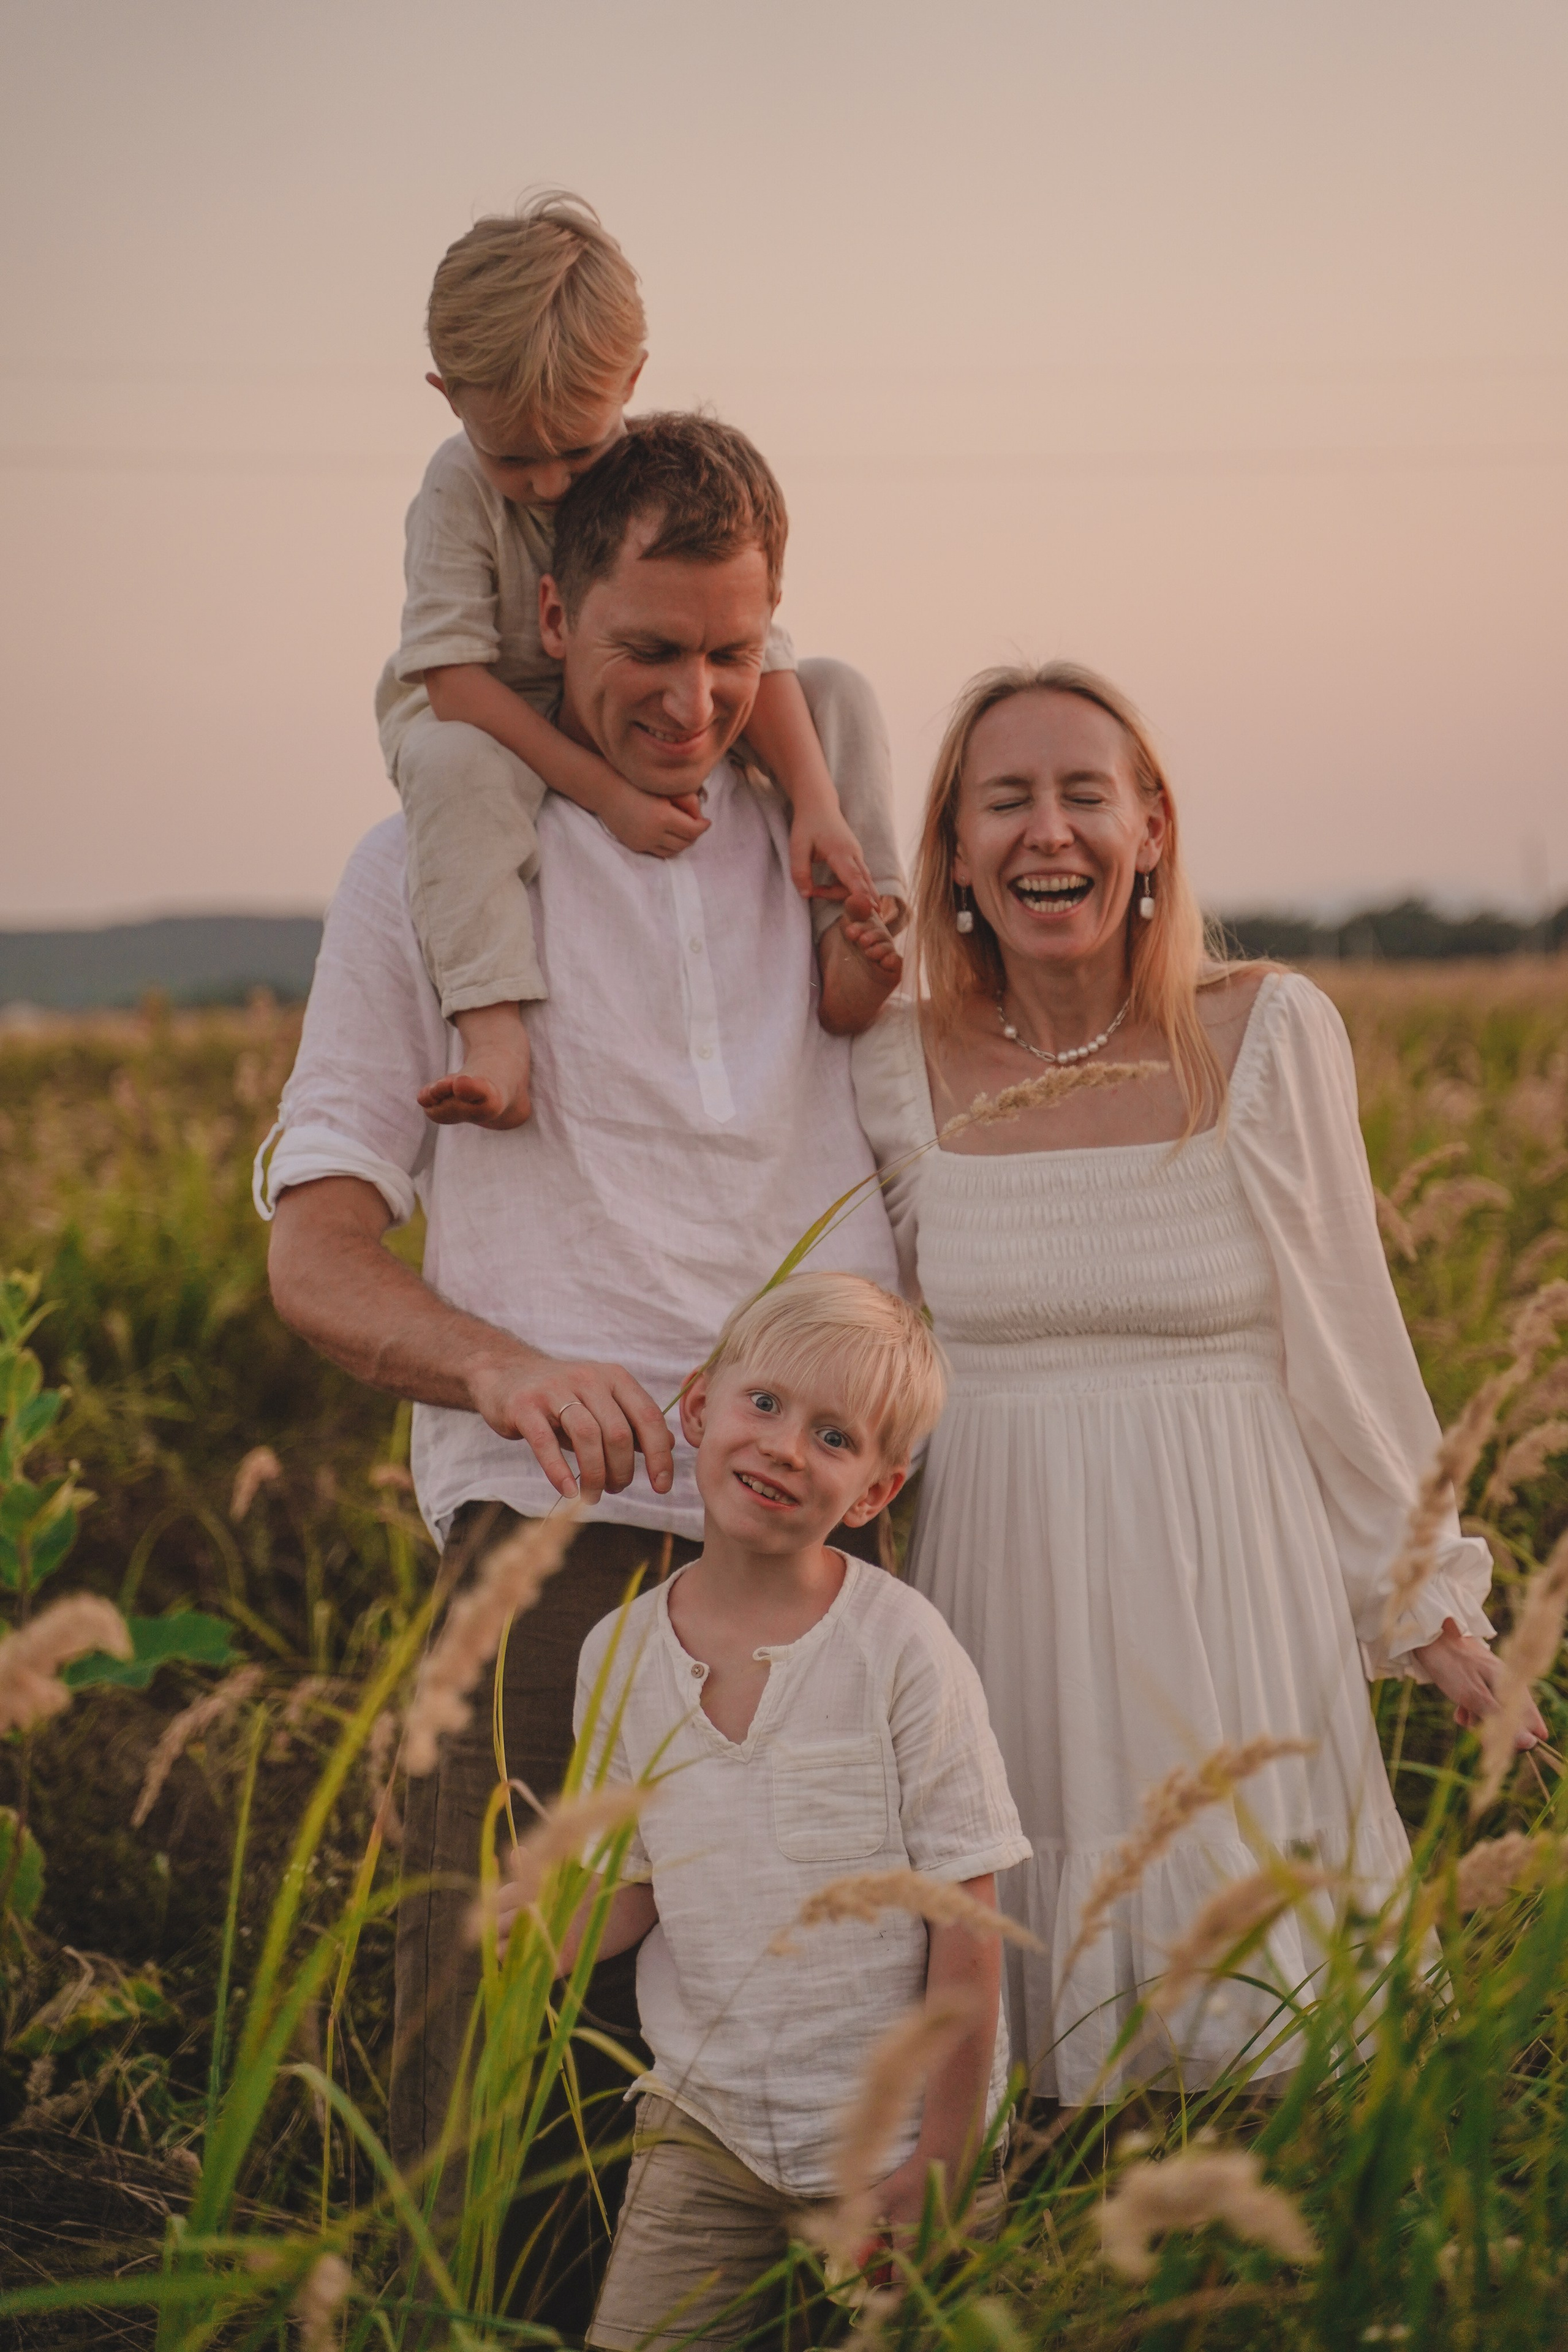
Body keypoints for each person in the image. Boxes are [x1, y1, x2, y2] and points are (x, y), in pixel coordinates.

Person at [259, 413, 904, 2324]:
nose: (698, 699)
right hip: (566, 1539)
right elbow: (316, 1254)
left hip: (851, 1543)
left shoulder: (816, 831)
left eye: (737, 654)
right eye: (648, 653)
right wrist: (506, 1369)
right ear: (552, 613)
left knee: (816, 2056)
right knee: (501, 2064)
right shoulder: (427, 867)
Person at [851, 660, 1546, 2105]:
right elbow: (851, 1344)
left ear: (1150, 827)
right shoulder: (888, 1065)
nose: (1047, 831)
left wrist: (1427, 1604)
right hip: (1001, 1592)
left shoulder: (1264, 1029)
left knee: (1275, 2020)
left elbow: (1347, 1345)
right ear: (955, 853)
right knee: (1038, 2030)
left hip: (1238, 1588)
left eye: (1082, 794)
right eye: (1004, 801)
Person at [494, 1273, 1031, 2351]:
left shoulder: (901, 1648)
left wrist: (943, 2159)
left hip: (893, 2134)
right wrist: (536, 1936)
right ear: (700, 1408)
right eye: (767, 1406)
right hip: (708, 2123)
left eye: (835, 1437)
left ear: (877, 1492)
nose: (787, 1448)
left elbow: (966, 1921)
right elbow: (641, 1888)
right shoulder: (621, 1652)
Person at [376, 192, 902, 1130]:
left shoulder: (646, 478)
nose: (547, 485)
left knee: (836, 692)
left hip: (635, 714)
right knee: (453, 774)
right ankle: (495, 1031)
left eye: (575, 453)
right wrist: (602, 795)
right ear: (449, 398)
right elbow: (453, 686)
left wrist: (816, 803)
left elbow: (759, 654)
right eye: (514, 459)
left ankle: (857, 930)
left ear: (632, 381)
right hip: (490, 719)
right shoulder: (454, 492)